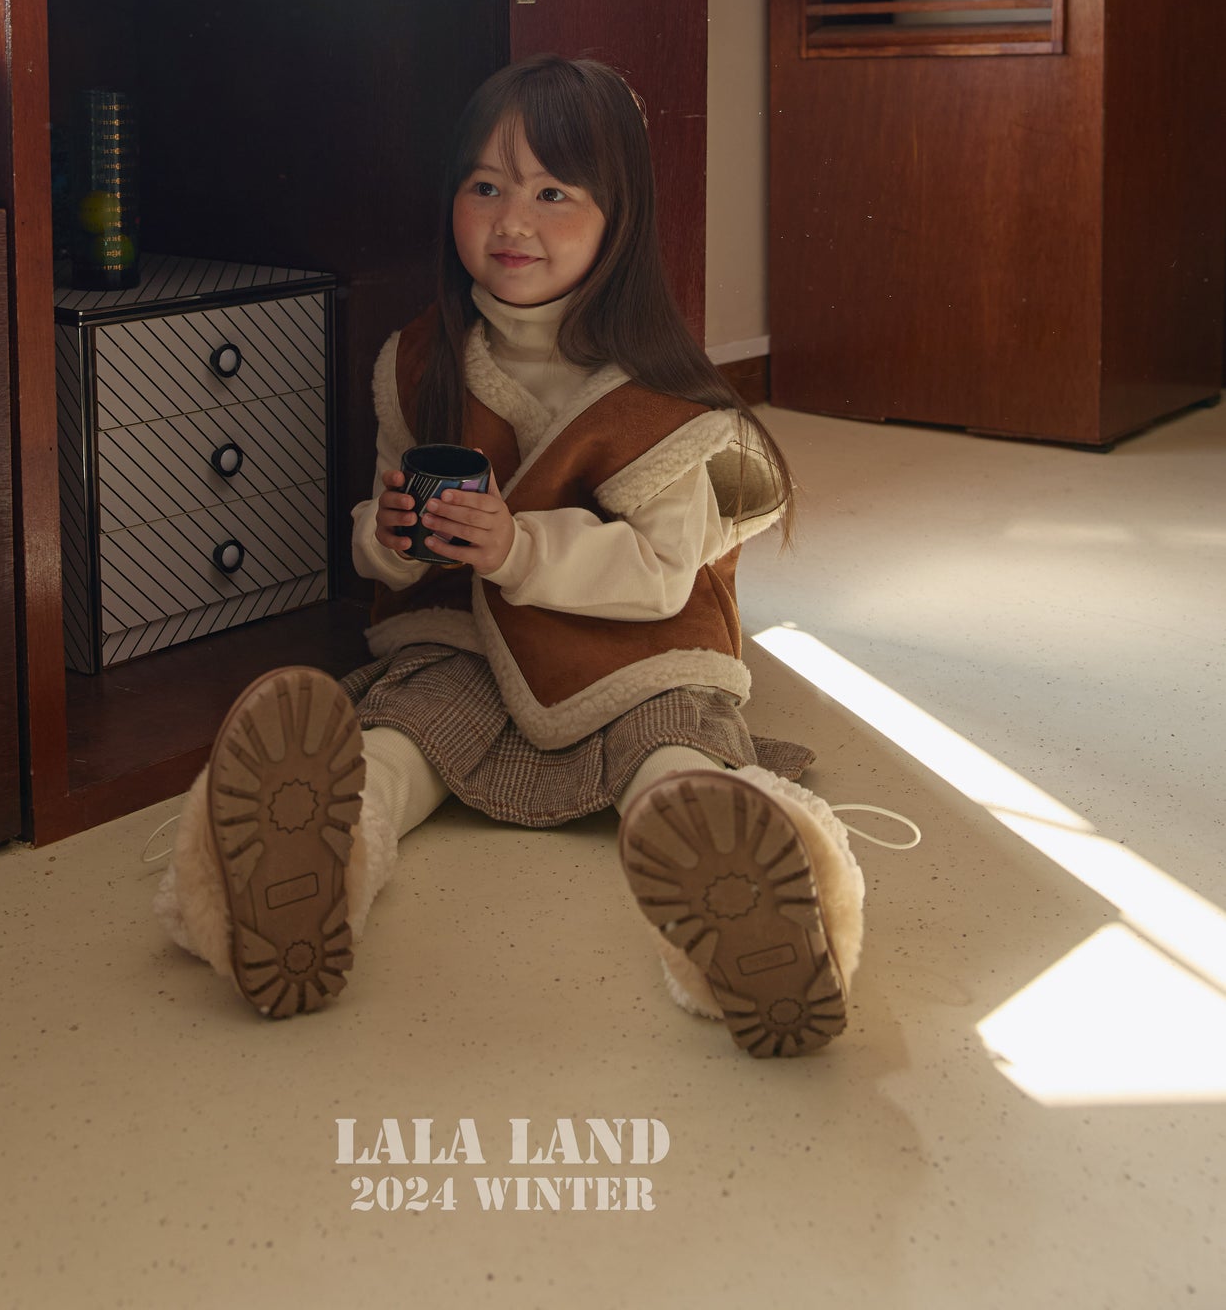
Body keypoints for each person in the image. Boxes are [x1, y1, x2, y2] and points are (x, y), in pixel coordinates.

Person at [154, 54, 871, 1057]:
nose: (511, 221)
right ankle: (321, 862)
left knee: (667, 740)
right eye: (483, 186)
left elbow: (662, 569)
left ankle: (734, 875)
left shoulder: (662, 390)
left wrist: (519, 544)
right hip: (468, 635)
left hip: (635, 642)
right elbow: (384, 514)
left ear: (617, 216)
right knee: (412, 720)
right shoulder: (419, 360)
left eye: (551, 193)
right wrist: (391, 534)